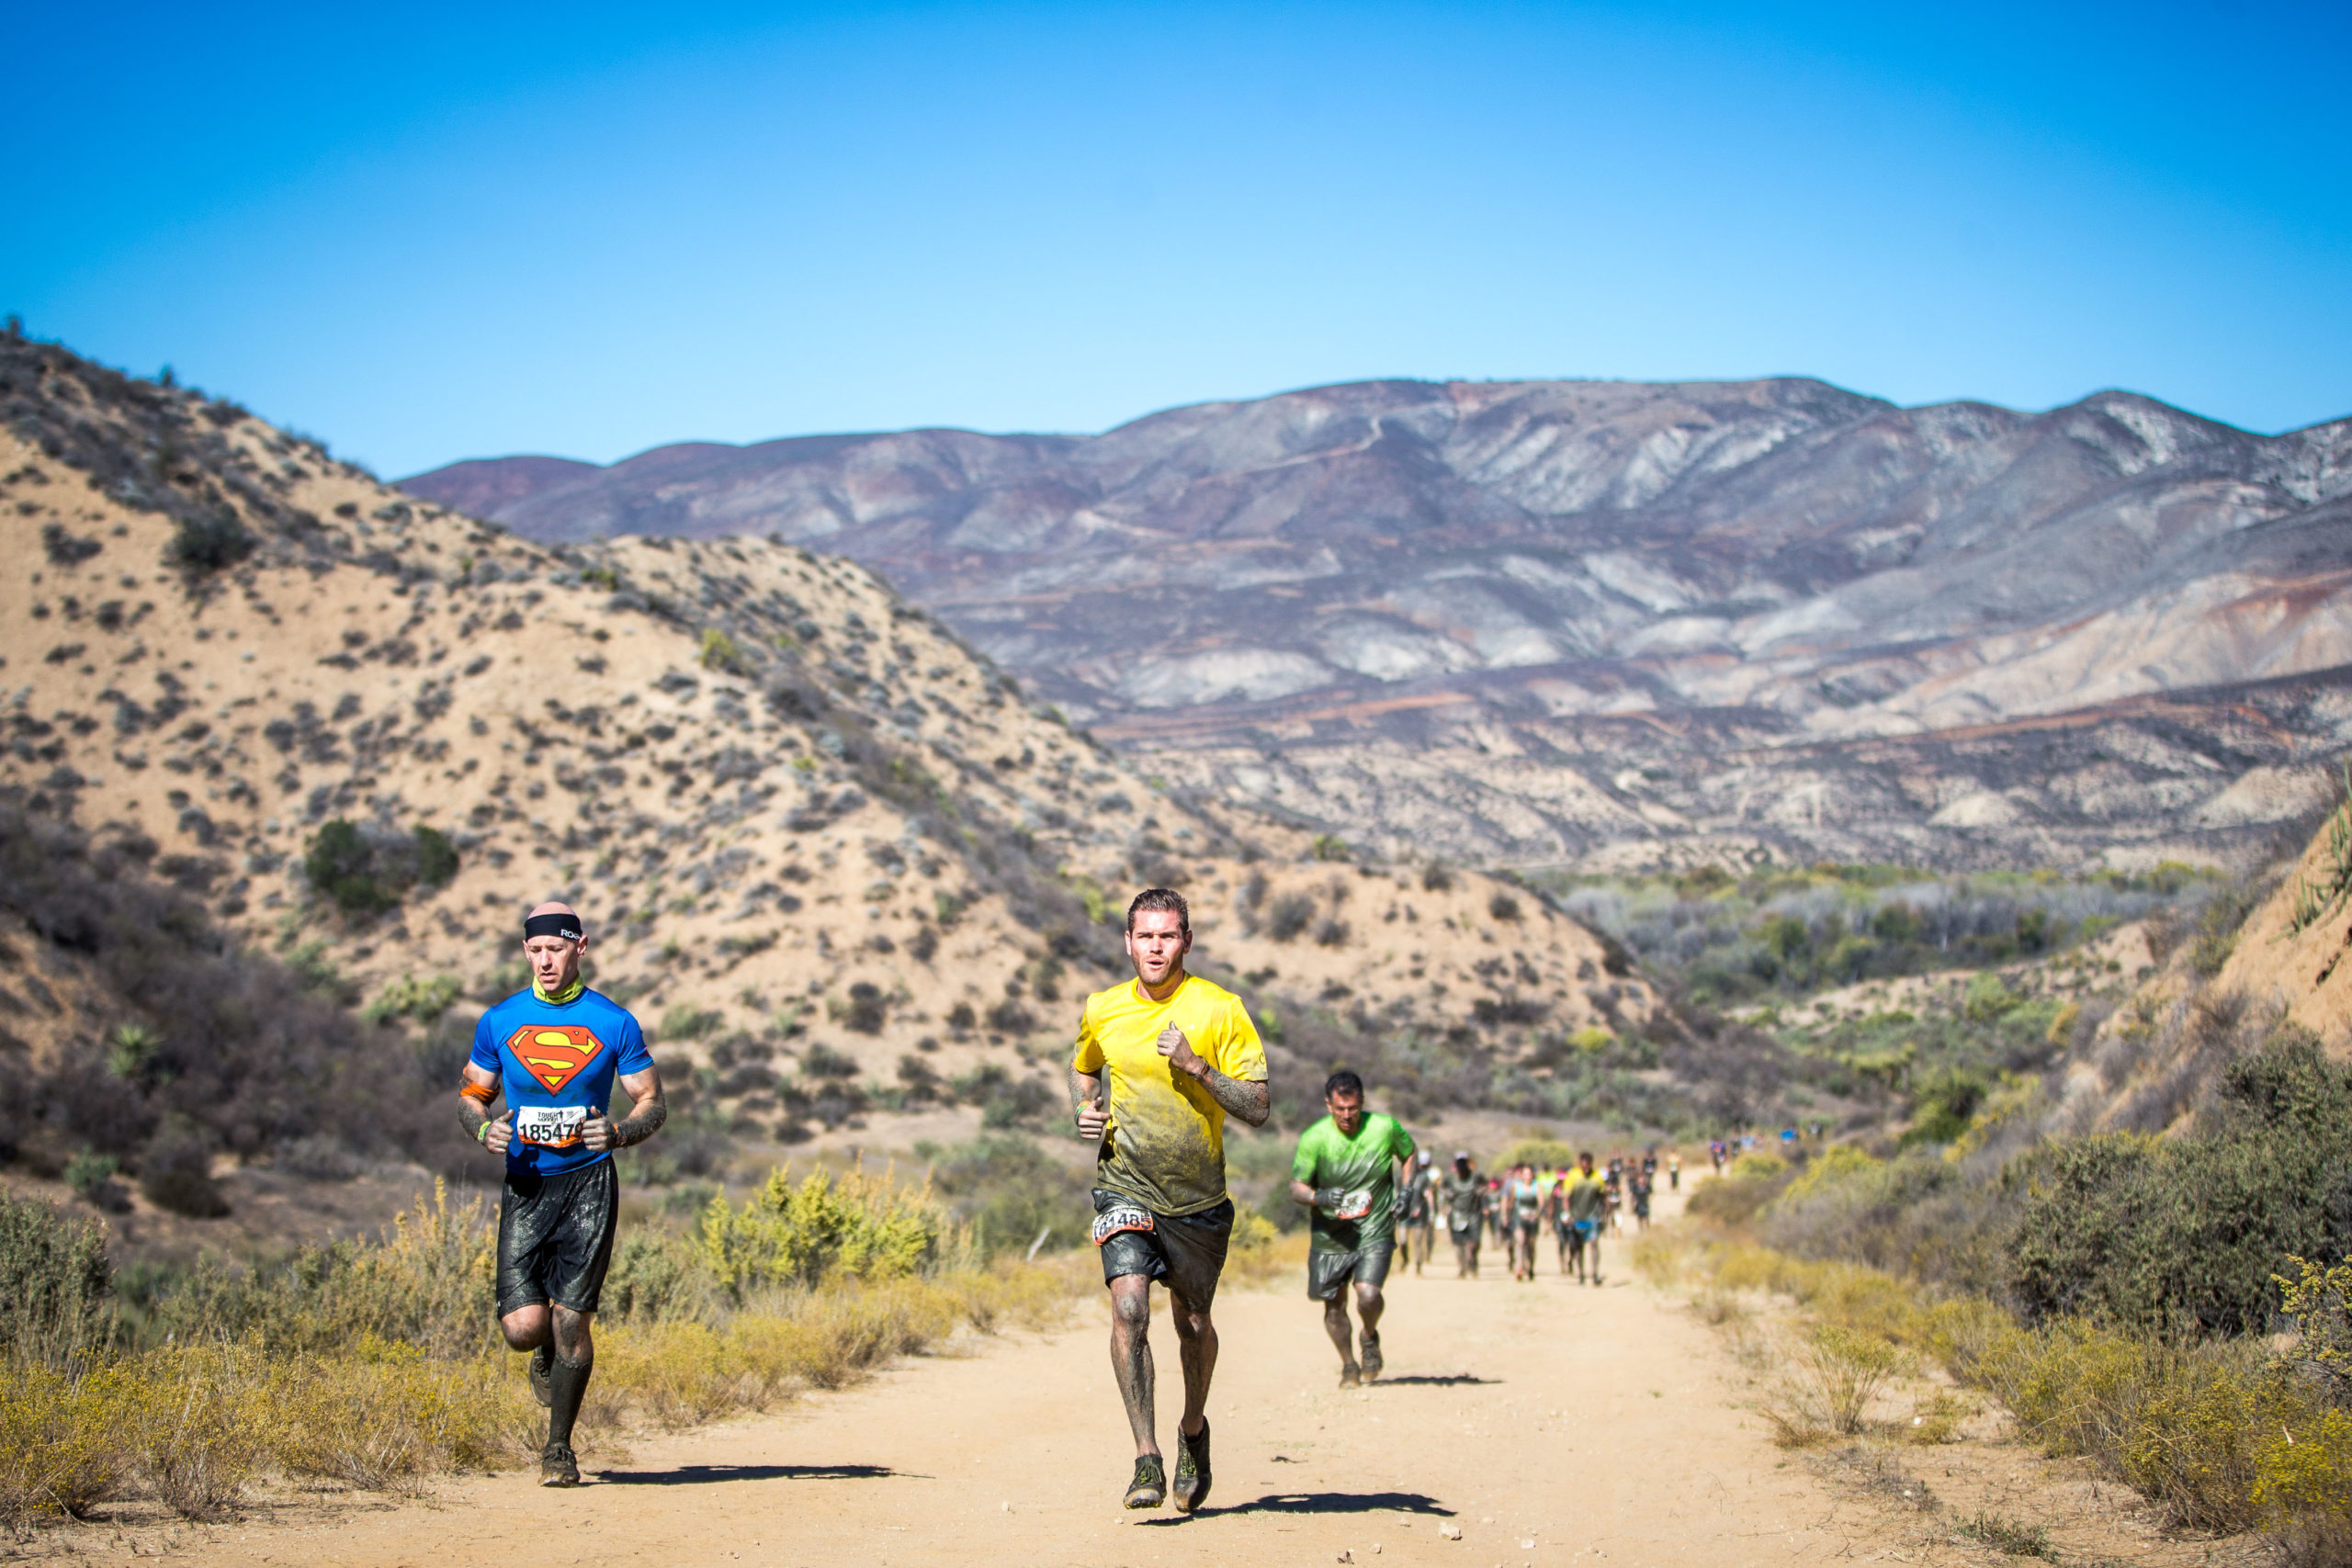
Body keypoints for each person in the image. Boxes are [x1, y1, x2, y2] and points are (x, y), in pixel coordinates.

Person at [1071, 887, 1271, 1513]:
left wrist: (1198, 1068)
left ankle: (1192, 1431)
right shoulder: (1103, 1008)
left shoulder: (1220, 1008)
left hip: (1197, 1199)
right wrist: (1085, 1107)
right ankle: (1146, 1456)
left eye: (1167, 935)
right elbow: (1084, 1067)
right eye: (1145, 936)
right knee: (1129, 1307)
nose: (1155, 947)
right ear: (1128, 943)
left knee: (1193, 1325)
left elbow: (1259, 1106)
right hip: (1125, 1182)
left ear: (1186, 940)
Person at [458, 902, 665, 1487]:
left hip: (590, 1183)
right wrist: (482, 1129)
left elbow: (652, 1101)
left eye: (556, 948)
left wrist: (620, 1133)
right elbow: (472, 1096)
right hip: (526, 1184)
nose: (544, 960)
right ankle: (543, 1350)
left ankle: (558, 1451)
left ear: (581, 947)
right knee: (524, 1330)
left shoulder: (614, 1021)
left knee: (572, 1319)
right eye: (535, 950)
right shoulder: (500, 1020)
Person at [1288, 1071, 1417, 1386]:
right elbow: (1296, 1187)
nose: (1347, 1115)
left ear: (1362, 1103)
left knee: (1369, 1294)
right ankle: (1348, 1364)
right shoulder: (1314, 1138)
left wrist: (1407, 1191)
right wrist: (1318, 1197)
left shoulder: (1384, 1128)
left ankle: (1369, 1336)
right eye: (1340, 1109)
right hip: (1330, 1234)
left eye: (1353, 1108)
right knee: (1334, 1306)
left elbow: (1409, 1154)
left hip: (1375, 1227)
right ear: (1329, 1105)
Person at [1562, 1151, 1610, 1286]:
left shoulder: (1597, 1177)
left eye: (1588, 1166)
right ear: (1580, 1164)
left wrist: (1605, 1214)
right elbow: (1566, 1197)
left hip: (1593, 1216)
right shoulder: (1573, 1176)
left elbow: (1604, 1196)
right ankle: (1581, 1274)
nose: (1586, 1168)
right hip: (1577, 1217)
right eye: (1583, 1166)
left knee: (1594, 1244)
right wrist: (1567, 1214)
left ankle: (1595, 1274)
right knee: (1579, 1247)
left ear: (1591, 1164)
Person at [1441, 1152, 1484, 1277]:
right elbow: (1441, 1187)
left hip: (1473, 1215)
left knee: (1474, 1243)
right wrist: (1447, 1193)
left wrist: (1480, 1192)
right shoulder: (1450, 1179)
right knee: (1459, 1244)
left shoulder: (1476, 1177)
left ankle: (1472, 1262)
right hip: (1457, 1215)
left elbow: (1486, 1186)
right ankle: (1462, 1268)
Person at [1503, 1160, 1544, 1281]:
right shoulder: (1516, 1186)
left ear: (1532, 1175)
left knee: (1530, 1245)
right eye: (1525, 1174)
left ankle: (1530, 1267)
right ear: (1521, 1175)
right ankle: (1519, 1268)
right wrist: (1507, 1216)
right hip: (1519, 1219)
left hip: (1532, 1220)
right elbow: (1511, 1203)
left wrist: (1537, 1214)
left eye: (1529, 1174)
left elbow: (1541, 1203)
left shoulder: (1536, 1186)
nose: (1527, 1177)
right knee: (1520, 1242)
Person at [1399, 1149, 1438, 1276]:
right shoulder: (1401, 1176)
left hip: (1420, 1214)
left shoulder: (1424, 1178)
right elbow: (1396, 1193)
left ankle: (1418, 1266)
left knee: (1418, 1241)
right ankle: (1405, 1260)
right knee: (1403, 1240)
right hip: (1405, 1213)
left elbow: (1429, 1195)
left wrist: (1431, 1212)